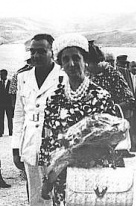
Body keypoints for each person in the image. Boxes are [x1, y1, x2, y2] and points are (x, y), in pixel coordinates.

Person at [38, 33, 117, 205]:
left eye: (76, 58)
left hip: (93, 174)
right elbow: (47, 140)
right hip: (62, 176)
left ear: (85, 60)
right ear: (60, 64)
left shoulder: (101, 96)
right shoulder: (54, 98)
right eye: (65, 59)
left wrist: (80, 153)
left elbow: (112, 139)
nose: (71, 64)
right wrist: (48, 178)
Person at [11, 33, 62, 206]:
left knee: (57, 194)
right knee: (35, 195)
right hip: (30, 144)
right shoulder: (23, 78)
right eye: (32, 51)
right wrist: (15, 147)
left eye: (41, 51)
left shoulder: (63, 76)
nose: (36, 56)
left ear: (52, 52)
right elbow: (19, 114)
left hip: (56, 144)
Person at [0, 69, 13, 136]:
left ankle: (11, 131)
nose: (1, 76)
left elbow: (13, 94)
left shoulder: (10, 83)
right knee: (1, 118)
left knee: (10, 118)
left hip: (9, 104)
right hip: (1, 104)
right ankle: (1, 132)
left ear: (5, 75)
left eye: (2, 75)